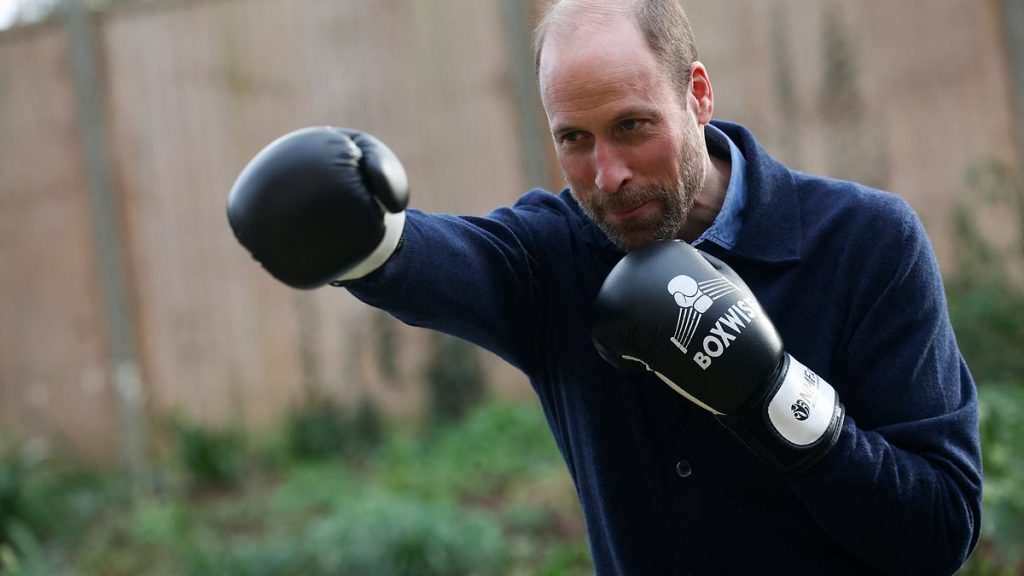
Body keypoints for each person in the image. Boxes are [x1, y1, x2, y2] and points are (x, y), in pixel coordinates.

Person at [226, 0, 983, 573]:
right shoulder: (556, 255)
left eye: (631, 127)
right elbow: (453, 262)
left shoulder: (866, 242)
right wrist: (369, 240)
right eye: (574, 139)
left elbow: (939, 531)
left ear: (697, 94)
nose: (607, 175)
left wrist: (781, 401)